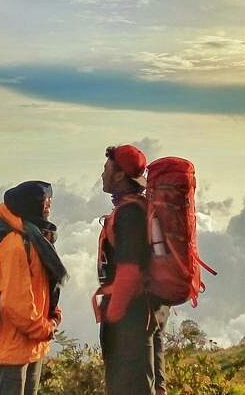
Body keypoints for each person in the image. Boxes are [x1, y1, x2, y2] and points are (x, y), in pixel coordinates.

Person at [94, 144, 168, 395]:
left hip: (131, 318)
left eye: (106, 169)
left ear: (119, 175)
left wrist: (113, 316)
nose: (102, 174)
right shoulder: (139, 208)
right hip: (146, 311)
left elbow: (130, 271)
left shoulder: (129, 214)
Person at [0, 180, 67, 395]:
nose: (49, 206)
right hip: (13, 348)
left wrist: (52, 314)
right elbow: (14, 304)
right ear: (32, 206)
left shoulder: (33, 237)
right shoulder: (14, 243)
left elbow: (40, 286)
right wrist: (44, 328)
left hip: (30, 343)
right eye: (45, 202)